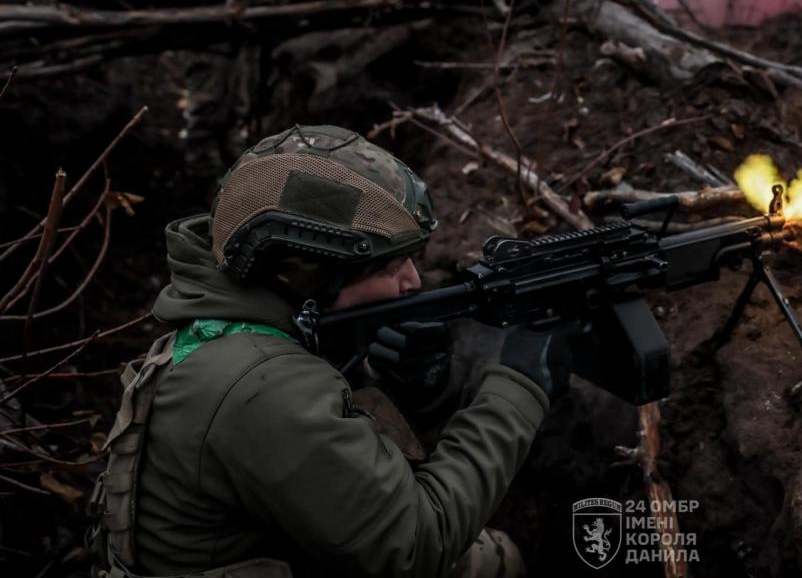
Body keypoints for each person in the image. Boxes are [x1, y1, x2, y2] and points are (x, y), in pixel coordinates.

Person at [88, 125, 573, 578]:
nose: (413, 281)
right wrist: (518, 388)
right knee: (495, 562)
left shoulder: (225, 333)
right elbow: (417, 544)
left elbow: (335, 447)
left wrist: (416, 388)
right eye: (389, 267)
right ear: (307, 274)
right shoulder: (262, 385)